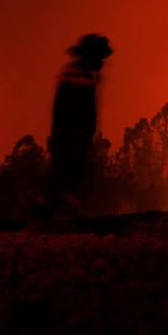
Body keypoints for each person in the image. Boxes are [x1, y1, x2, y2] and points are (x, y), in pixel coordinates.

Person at [45, 33, 113, 218]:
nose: (102, 62)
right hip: (71, 135)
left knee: (71, 176)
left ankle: (58, 213)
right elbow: (72, 108)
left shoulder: (82, 74)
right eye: (98, 57)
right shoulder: (77, 75)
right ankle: (59, 214)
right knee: (70, 175)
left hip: (73, 135)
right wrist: (80, 134)